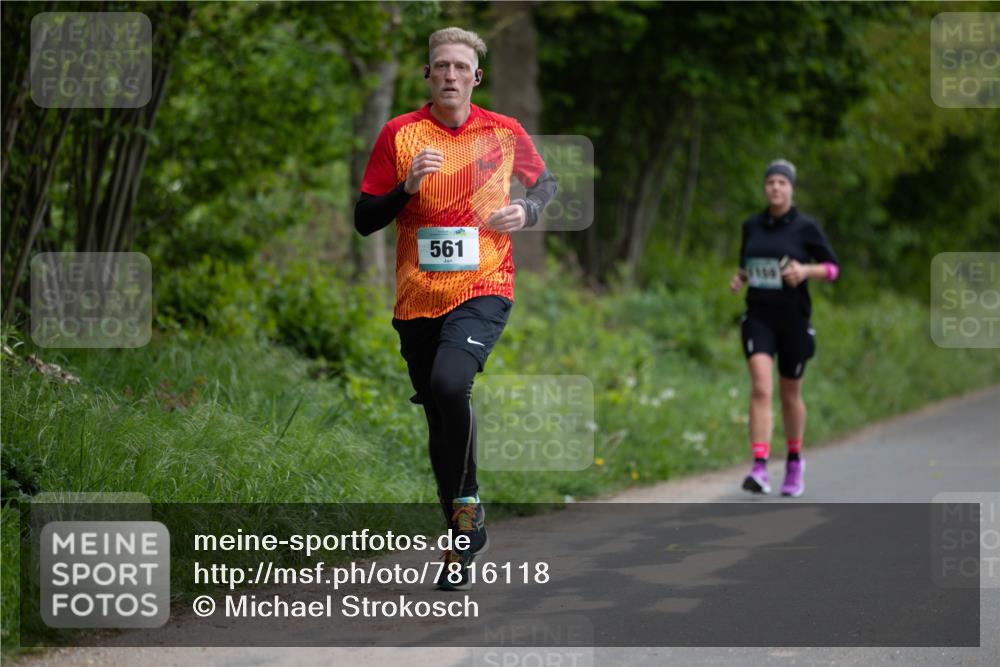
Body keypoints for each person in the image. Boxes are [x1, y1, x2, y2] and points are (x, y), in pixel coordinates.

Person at [354, 27, 557, 589]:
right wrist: (407, 188)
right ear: (427, 75)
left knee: (450, 386)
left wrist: (528, 211)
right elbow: (365, 217)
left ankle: (463, 520)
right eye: (439, 66)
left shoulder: (504, 132)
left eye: (459, 67)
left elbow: (546, 182)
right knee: (439, 414)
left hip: (485, 284)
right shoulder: (399, 135)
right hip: (417, 296)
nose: (449, 75)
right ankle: (462, 525)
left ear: (475, 77)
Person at [729, 159, 839, 497]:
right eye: (770, 182)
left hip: (793, 319)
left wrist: (806, 271)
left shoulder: (806, 228)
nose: (775, 187)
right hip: (758, 316)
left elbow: (833, 269)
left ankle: (794, 461)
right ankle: (759, 467)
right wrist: (741, 277)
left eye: (782, 182)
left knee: (790, 394)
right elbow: (747, 264)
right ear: (764, 188)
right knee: (761, 388)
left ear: (791, 188)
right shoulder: (752, 225)